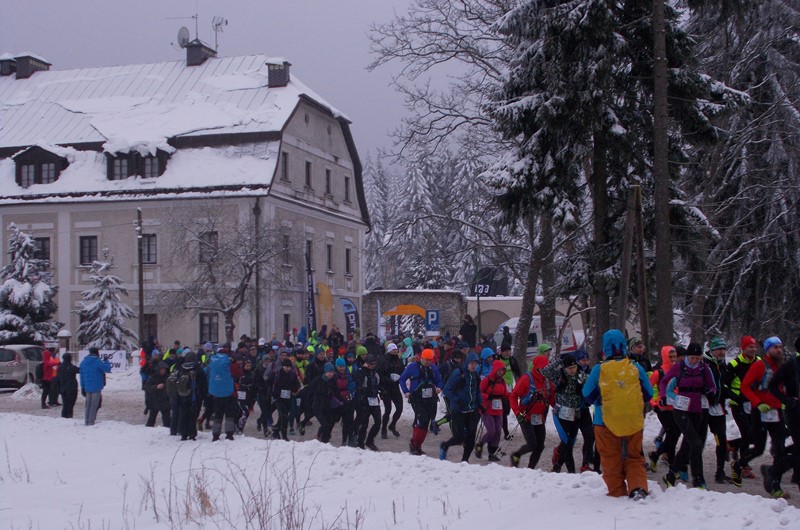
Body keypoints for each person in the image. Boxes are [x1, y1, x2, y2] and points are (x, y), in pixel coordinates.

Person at [582, 329, 653, 500]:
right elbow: (649, 394)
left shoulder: (600, 369)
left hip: (605, 421)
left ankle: (617, 492)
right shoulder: (635, 367)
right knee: (634, 456)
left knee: (610, 458)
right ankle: (637, 488)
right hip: (633, 420)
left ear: (605, 348)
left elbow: (587, 396)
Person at [733, 336, 789, 496]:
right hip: (760, 412)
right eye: (775, 347)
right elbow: (744, 387)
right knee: (758, 448)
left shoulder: (783, 367)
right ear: (767, 350)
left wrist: (784, 401)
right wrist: (757, 403)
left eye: (780, 347)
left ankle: (775, 486)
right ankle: (738, 464)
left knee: (779, 448)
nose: (779, 350)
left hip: (776, 411)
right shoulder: (759, 365)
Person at [661, 342, 716, 489]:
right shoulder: (679, 367)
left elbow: (713, 386)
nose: (695, 361)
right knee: (696, 443)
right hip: (680, 410)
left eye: (698, 358)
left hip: (697, 410)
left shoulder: (704, 368)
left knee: (688, 445)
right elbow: (665, 381)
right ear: (687, 356)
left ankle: (671, 474)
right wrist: (663, 396)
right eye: (692, 358)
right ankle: (698, 479)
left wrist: (710, 392)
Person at [543, 353, 587, 473]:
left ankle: (557, 465)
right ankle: (571, 472)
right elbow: (545, 371)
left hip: (575, 414)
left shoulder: (581, 375)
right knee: (567, 442)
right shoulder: (559, 375)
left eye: (574, 368)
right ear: (564, 368)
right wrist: (559, 361)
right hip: (561, 414)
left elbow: (591, 384)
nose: (572, 371)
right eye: (569, 368)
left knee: (570, 442)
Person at [724, 335, 759, 485]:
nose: (753, 349)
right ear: (743, 349)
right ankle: (744, 467)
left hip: (753, 404)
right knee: (747, 433)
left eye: (754, 347)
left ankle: (732, 444)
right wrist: (735, 397)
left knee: (754, 435)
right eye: (750, 347)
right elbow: (724, 385)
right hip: (738, 404)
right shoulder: (734, 364)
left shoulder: (758, 362)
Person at [768, 336, 800, 496]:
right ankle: (775, 472)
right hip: (795, 413)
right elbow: (772, 385)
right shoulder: (791, 365)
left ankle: (774, 470)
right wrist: (786, 400)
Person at [509, 355, 551, 469]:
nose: (545, 371)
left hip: (539, 417)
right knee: (532, 444)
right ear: (537, 368)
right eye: (543, 369)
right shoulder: (526, 379)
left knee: (540, 446)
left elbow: (551, 398)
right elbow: (513, 396)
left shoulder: (547, 381)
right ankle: (516, 455)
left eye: (547, 369)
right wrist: (517, 413)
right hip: (525, 416)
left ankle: (530, 469)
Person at [439, 351, 482, 462]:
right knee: (460, 437)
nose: (474, 366)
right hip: (458, 410)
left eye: (475, 364)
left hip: (471, 409)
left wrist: (480, 404)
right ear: (467, 362)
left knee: (471, 438)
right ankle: (445, 445)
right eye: (472, 363)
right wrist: (455, 400)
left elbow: (477, 391)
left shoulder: (475, 375)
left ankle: (464, 461)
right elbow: (446, 389)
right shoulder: (458, 373)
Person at [399, 348, 443, 455]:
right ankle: (414, 444)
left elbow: (439, 380)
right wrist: (406, 391)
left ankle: (418, 446)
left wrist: (439, 387)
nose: (428, 362)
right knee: (422, 420)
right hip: (417, 399)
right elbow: (402, 379)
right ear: (421, 358)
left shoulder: (433, 368)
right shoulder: (413, 367)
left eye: (430, 360)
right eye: (426, 360)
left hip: (430, 399)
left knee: (426, 422)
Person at [648, 346, 680, 473]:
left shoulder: (679, 370)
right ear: (664, 357)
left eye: (674, 356)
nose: (673, 359)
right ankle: (672, 466)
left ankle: (657, 455)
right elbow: (648, 390)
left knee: (674, 436)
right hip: (663, 408)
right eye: (670, 357)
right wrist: (654, 403)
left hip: (677, 407)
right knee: (672, 433)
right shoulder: (658, 372)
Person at [704, 337, 731, 483]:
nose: (722, 352)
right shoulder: (704, 363)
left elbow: (723, 385)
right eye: (719, 349)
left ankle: (720, 472)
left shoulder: (723, 365)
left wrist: (731, 395)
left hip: (718, 408)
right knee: (697, 441)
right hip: (703, 408)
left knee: (721, 439)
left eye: (724, 349)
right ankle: (682, 467)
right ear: (712, 350)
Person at [476, 359, 509, 462]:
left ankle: (492, 453)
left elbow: (505, 394)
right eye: (499, 370)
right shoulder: (487, 380)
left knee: (498, 431)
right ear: (495, 370)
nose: (500, 372)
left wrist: (513, 397)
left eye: (502, 370)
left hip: (498, 409)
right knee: (491, 431)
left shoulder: (503, 381)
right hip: (487, 409)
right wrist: (487, 396)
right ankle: (479, 445)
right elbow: (479, 392)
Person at [206, 348, 237, 441]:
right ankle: (229, 434)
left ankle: (215, 435)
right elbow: (237, 373)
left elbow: (207, 373)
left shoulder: (212, 362)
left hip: (216, 393)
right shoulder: (229, 362)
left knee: (218, 415)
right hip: (228, 393)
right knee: (229, 415)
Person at [176, 352, 206, 441]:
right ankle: (192, 433)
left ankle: (183, 434)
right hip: (195, 396)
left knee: (183, 414)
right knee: (193, 415)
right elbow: (203, 383)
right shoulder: (198, 368)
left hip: (183, 395)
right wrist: (204, 395)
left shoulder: (181, 368)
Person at [354, 354, 381, 450]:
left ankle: (370, 440)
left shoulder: (375, 373)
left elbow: (378, 384)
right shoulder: (361, 372)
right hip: (364, 400)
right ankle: (360, 443)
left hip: (374, 400)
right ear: (367, 363)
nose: (373, 365)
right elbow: (358, 382)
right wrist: (364, 369)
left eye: (374, 364)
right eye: (371, 364)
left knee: (378, 422)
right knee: (364, 423)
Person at [79, 347, 112, 426]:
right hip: (96, 386)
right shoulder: (98, 362)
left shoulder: (83, 362)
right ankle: (91, 422)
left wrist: (82, 387)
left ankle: (87, 421)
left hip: (87, 387)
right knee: (94, 405)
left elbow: (81, 376)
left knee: (88, 405)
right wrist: (106, 360)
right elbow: (107, 369)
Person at [377, 342, 404, 438]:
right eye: (393, 349)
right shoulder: (383, 360)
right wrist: (389, 379)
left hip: (395, 388)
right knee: (388, 410)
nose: (395, 350)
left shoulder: (399, 360)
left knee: (400, 408)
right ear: (389, 350)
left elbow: (402, 371)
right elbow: (379, 374)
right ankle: (383, 429)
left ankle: (392, 425)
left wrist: (399, 377)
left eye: (396, 349)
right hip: (386, 388)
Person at [309, 362, 340, 443]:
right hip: (317, 406)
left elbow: (337, 393)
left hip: (327, 406)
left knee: (331, 422)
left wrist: (341, 401)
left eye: (332, 372)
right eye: (329, 372)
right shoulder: (318, 380)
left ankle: (324, 439)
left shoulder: (333, 381)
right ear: (325, 372)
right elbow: (310, 390)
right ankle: (323, 441)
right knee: (325, 424)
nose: (331, 374)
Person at [272, 358, 301, 441]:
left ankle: (276, 430)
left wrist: (294, 390)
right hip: (278, 398)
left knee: (283, 416)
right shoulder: (277, 374)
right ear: (282, 366)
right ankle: (284, 435)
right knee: (284, 416)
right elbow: (272, 384)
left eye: (289, 367)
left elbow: (297, 384)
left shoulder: (292, 374)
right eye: (286, 367)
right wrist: (274, 395)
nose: (287, 368)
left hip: (288, 397)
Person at [145, 362, 171, 427]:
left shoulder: (168, 377)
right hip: (154, 401)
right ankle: (147, 432)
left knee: (167, 420)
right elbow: (147, 388)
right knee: (151, 419)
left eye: (164, 369)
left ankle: (168, 432)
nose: (163, 371)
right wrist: (156, 387)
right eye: (162, 369)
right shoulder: (153, 377)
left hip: (165, 401)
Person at [56, 353, 79, 418]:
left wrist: (59, 389)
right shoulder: (72, 367)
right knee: (70, 405)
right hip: (72, 388)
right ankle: (69, 417)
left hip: (63, 388)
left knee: (65, 404)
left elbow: (57, 379)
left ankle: (64, 417)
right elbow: (80, 370)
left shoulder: (60, 368)